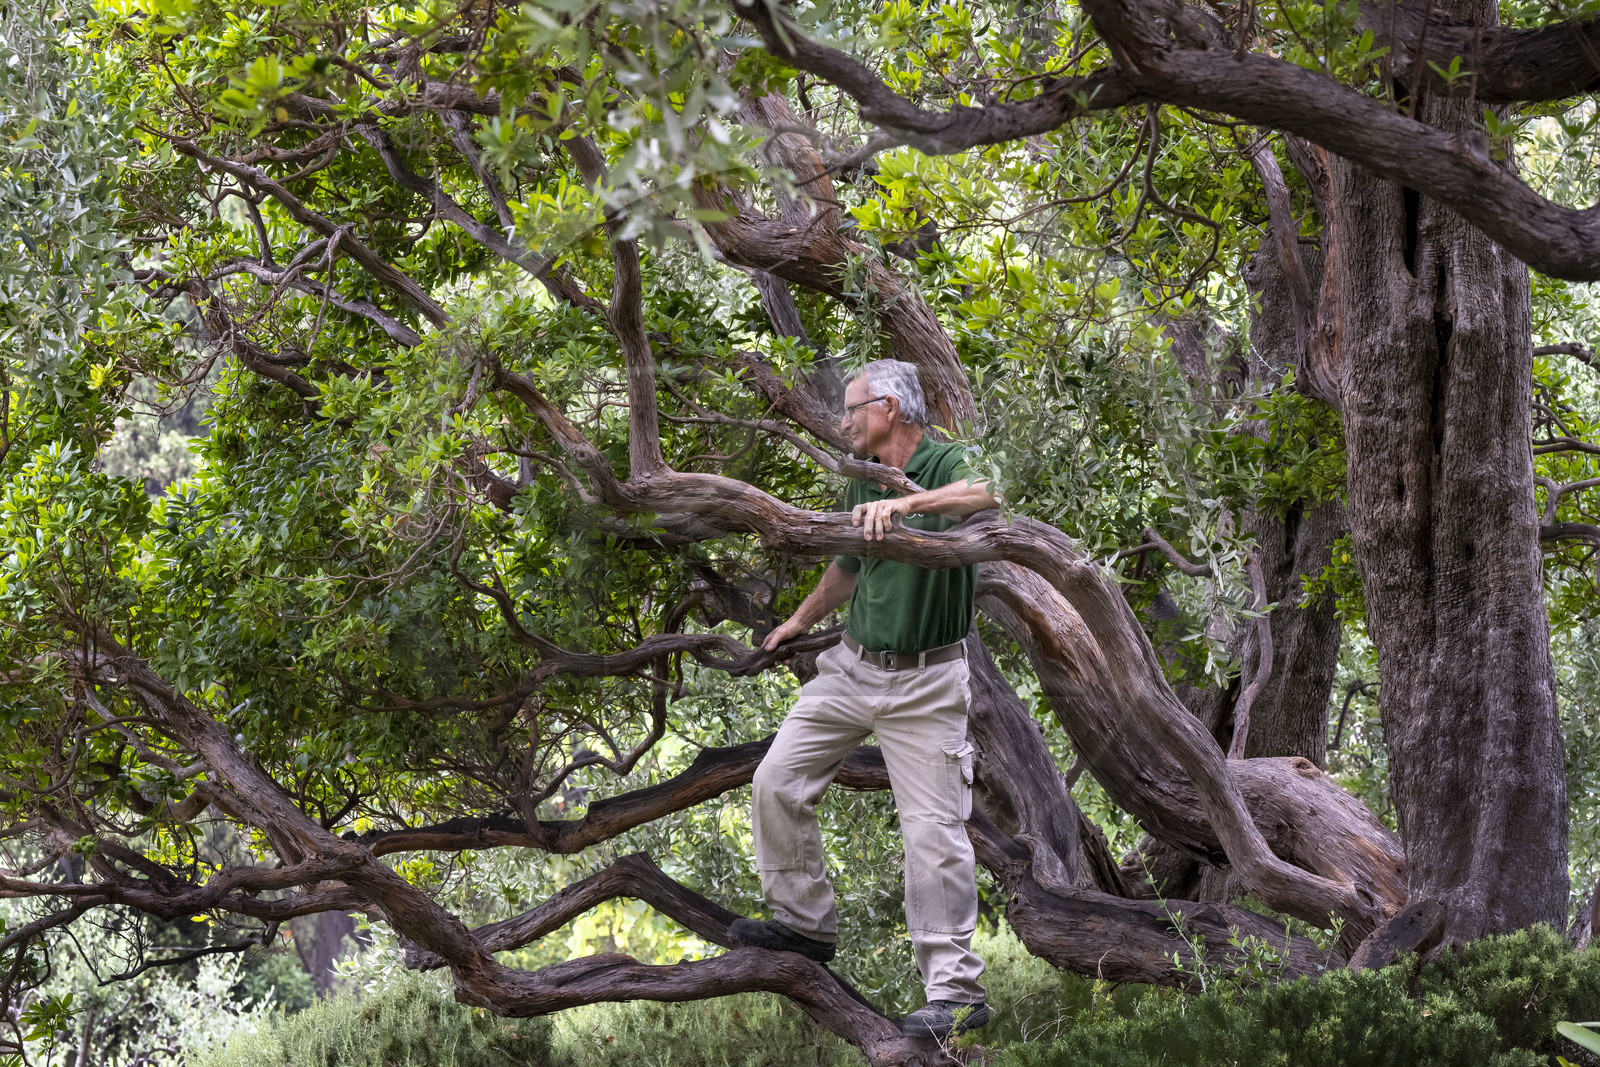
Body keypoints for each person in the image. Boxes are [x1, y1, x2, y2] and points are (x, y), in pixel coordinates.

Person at [727, 359, 999, 1039]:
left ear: (890, 409)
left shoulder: (946, 459)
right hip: (850, 668)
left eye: (853, 408)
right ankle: (802, 925)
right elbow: (849, 565)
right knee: (775, 780)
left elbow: (988, 492)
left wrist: (904, 503)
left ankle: (957, 995)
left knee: (933, 836)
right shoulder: (860, 473)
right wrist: (799, 620)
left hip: (928, 682)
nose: (844, 421)